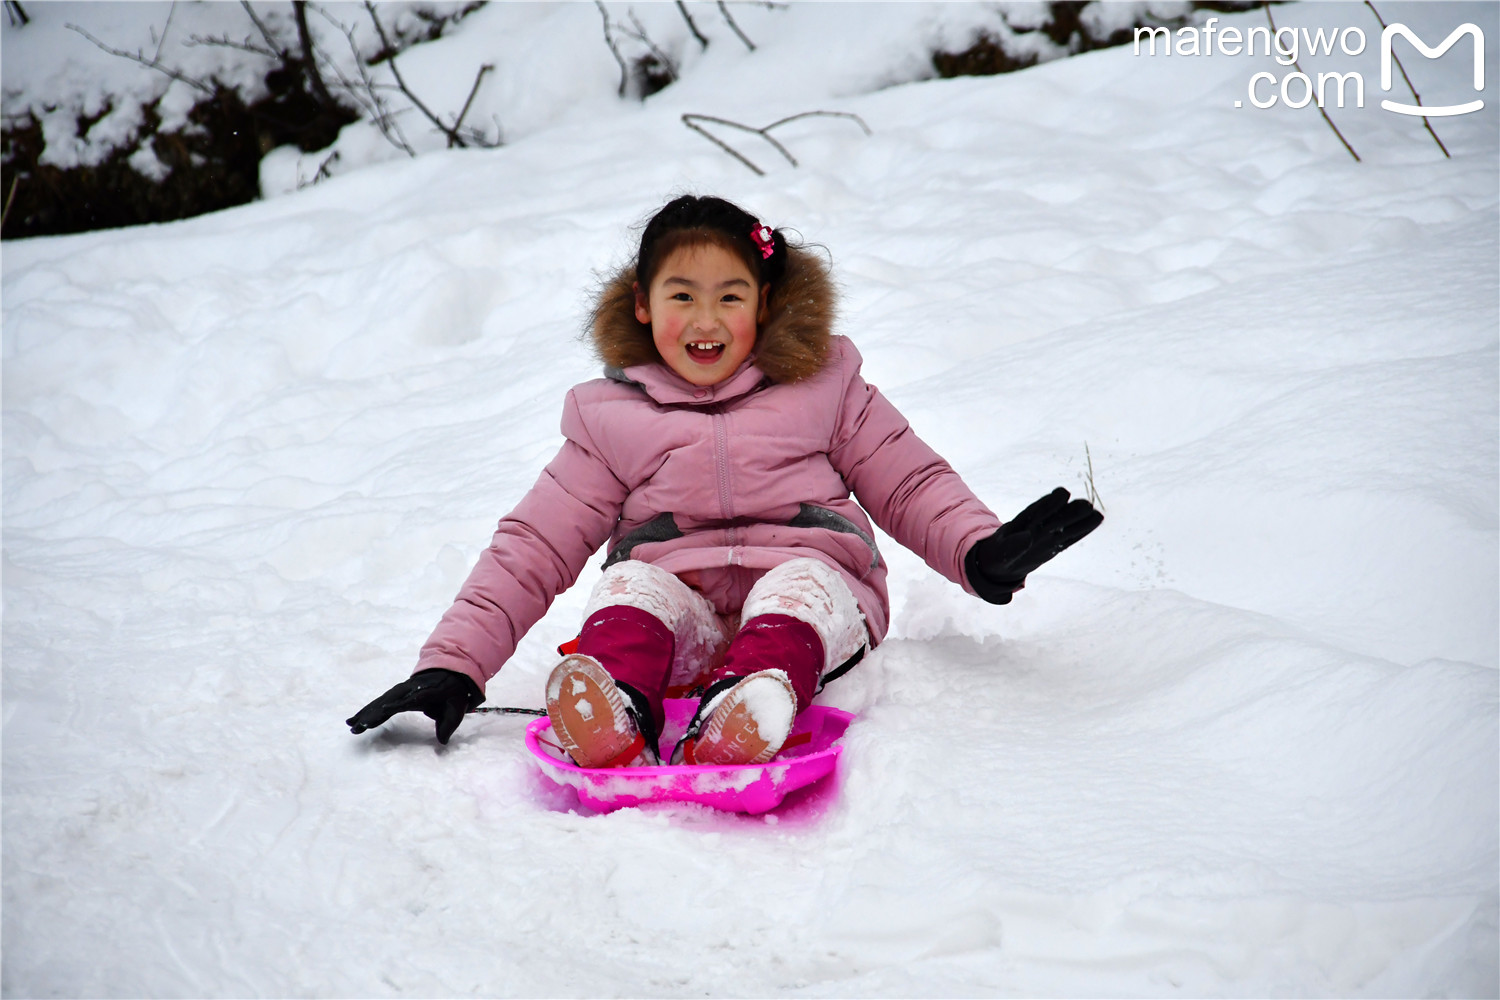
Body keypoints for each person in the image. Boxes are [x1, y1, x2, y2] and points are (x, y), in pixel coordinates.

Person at [347, 194, 1102, 767]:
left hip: (815, 602)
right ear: (644, 306)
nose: (704, 320)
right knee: (629, 590)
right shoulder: (610, 417)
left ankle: (750, 705)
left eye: (729, 296)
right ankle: (612, 707)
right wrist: (452, 663)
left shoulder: (825, 386)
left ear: (764, 304)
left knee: (797, 583)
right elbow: (534, 546)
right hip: (684, 625)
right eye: (681, 295)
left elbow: (907, 480)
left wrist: (976, 550)